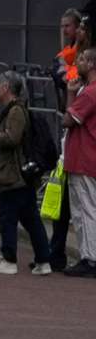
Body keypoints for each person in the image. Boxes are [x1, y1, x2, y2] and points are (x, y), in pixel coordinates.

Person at [0, 69, 55, 275]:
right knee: (30, 217)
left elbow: (13, 138)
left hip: (14, 174)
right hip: (23, 175)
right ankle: (43, 260)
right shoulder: (18, 110)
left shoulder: (15, 111)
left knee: (7, 217)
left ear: (6, 88)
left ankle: (8, 258)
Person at [62, 64, 96, 277]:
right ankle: (89, 254)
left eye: (83, 59)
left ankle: (90, 257)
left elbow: (68, 119)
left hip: (84, 157)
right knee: (88, 207)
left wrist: (70, 93)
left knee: (85, 210)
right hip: (87, 157)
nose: (78, 63)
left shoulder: (90, 93)